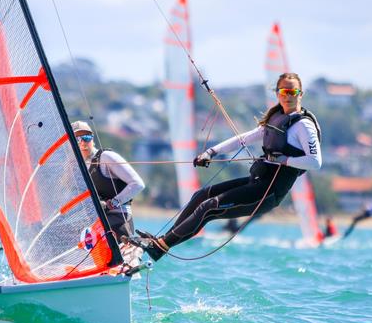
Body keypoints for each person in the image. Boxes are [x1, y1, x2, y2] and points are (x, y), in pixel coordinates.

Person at [128, 72, 322, 261]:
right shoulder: (277, 119)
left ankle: (160, 246)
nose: (287, 96)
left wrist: (284, 160)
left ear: (300, 94)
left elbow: (315, 161)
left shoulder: (303, 126)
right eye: (283, 92)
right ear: (277, 93)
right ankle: (161, 243)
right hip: (256, 182)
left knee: (208, 207)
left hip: (268, 193)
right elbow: (244, 139)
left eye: (293, 92)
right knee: (201, 195)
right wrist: (211, 152)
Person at [72, 121, 145, 244]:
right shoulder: (78, 165)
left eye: (87, 138)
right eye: (78, 139)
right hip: (97, 220)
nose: (83, 142)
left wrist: (112, 203)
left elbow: (138, 184)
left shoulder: (106, 157)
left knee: (90, 237)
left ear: (92, 139)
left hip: (118, 217)